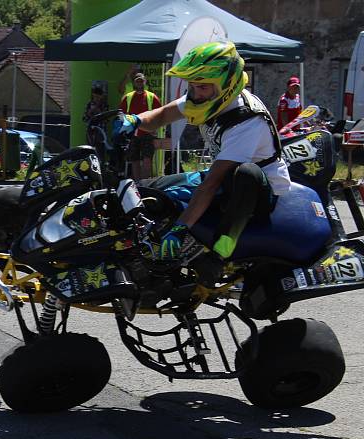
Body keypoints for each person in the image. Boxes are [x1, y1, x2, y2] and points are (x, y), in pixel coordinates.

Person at [115, 41, 290, 278]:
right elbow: (164, 114)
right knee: (145, 190)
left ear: (227, 86)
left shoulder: (247, 121)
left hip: (256, 191)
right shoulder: (208, 96)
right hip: (224, 176)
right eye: (193, 86)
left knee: (246, 174)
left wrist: (181, 228)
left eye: (202, 88)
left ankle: (221, 251)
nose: (196, 93)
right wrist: (134, 121)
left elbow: (212, 184)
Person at [119, 72, 162, 180]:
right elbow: (121, 115)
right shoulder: (128, 97)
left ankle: (145, 184)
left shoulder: (152, 97)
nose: (139, 83)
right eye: (137, 81)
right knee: (134, 160)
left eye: (141, 81)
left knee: (147, 160)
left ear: (145, 82)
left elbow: (160, 114)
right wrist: (126, 127)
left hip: (147, 134)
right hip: (133, 134)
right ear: (134, 82)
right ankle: (138, 184)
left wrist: (154, 128)